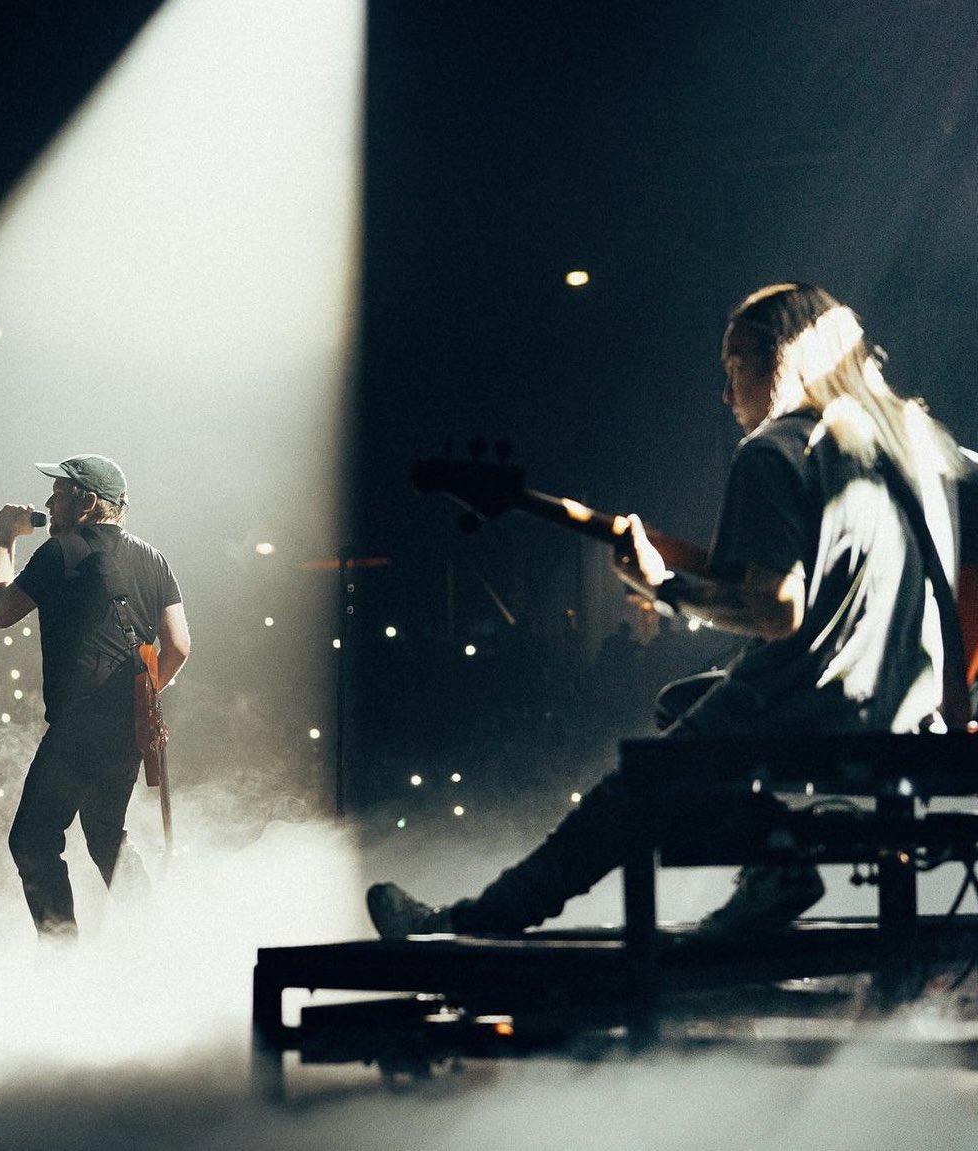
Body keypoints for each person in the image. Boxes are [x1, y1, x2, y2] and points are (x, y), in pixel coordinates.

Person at [368, 283, 967, 940]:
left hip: (813, 706)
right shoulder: (921, 453)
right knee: (681, 701)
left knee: (633, 788)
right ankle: (775, 860)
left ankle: (469, 923)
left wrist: (662, 588)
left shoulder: (772, 452)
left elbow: (775, 612)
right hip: (908, 717)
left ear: (780, 358)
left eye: (732, 366)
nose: (724, 392)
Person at [0, 454, 191, 938]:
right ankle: (154, 939)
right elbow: (178, 645)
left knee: (33, 840)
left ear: (87, 502)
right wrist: (143, 699)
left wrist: (3, 540)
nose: (48, 503)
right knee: (105, 836)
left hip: (80, 726)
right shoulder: (153, 558)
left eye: (58, 494)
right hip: (128, 731)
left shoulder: (62, 552)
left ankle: (62, 959)